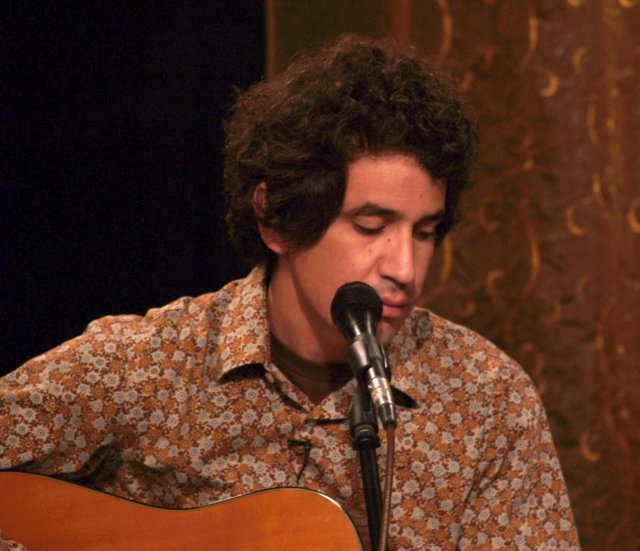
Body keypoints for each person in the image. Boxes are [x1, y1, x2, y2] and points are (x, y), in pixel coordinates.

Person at [0, 34, 579, 549]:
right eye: (370, 227)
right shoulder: (144, 368)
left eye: (425, 233)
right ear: (275, 217)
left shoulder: (487, 400)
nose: (405, 267)